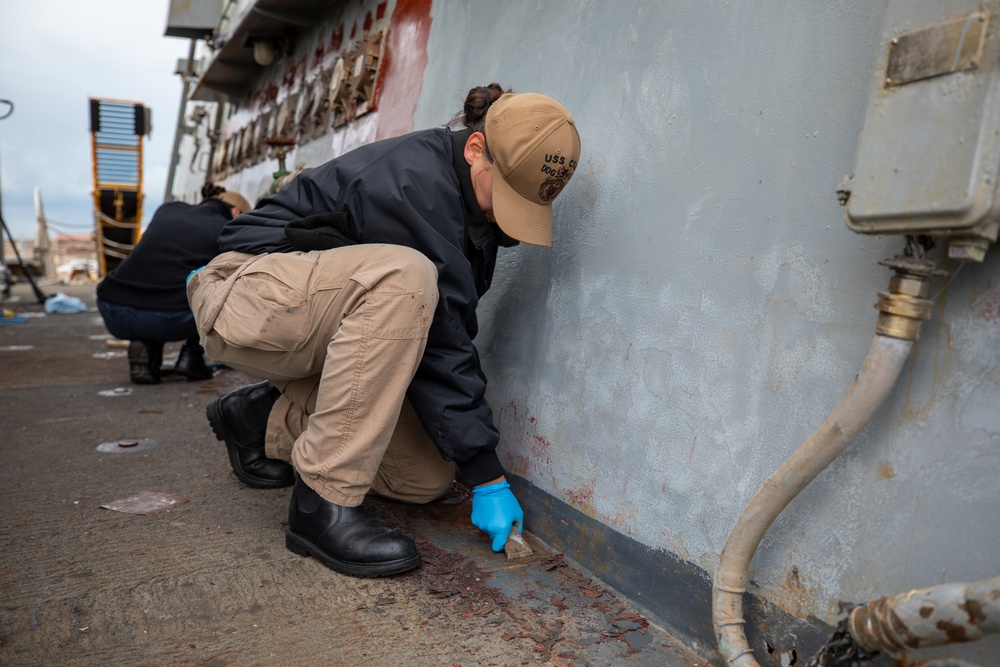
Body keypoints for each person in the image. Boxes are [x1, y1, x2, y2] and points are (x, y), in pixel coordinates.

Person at [187, 84, 581, 577]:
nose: (507, 215)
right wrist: (488, 477)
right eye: (505, 195)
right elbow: (442, 344)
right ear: (476, 149)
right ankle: (321, 506)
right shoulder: (416, 182)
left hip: (312, 321)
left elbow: (426, 338)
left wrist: (470, 467)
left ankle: (259, 419)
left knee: (426, 476)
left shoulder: (473, 210)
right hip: (246, 292)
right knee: (408, 277)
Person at [97, 185, 252, 384]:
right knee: (228, 290)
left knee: (163, 282)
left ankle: (145, 350)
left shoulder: (168, 209)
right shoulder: (227, 229)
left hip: (114, 309)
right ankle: (191, 358)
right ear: (235, 212)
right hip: (169, 318)